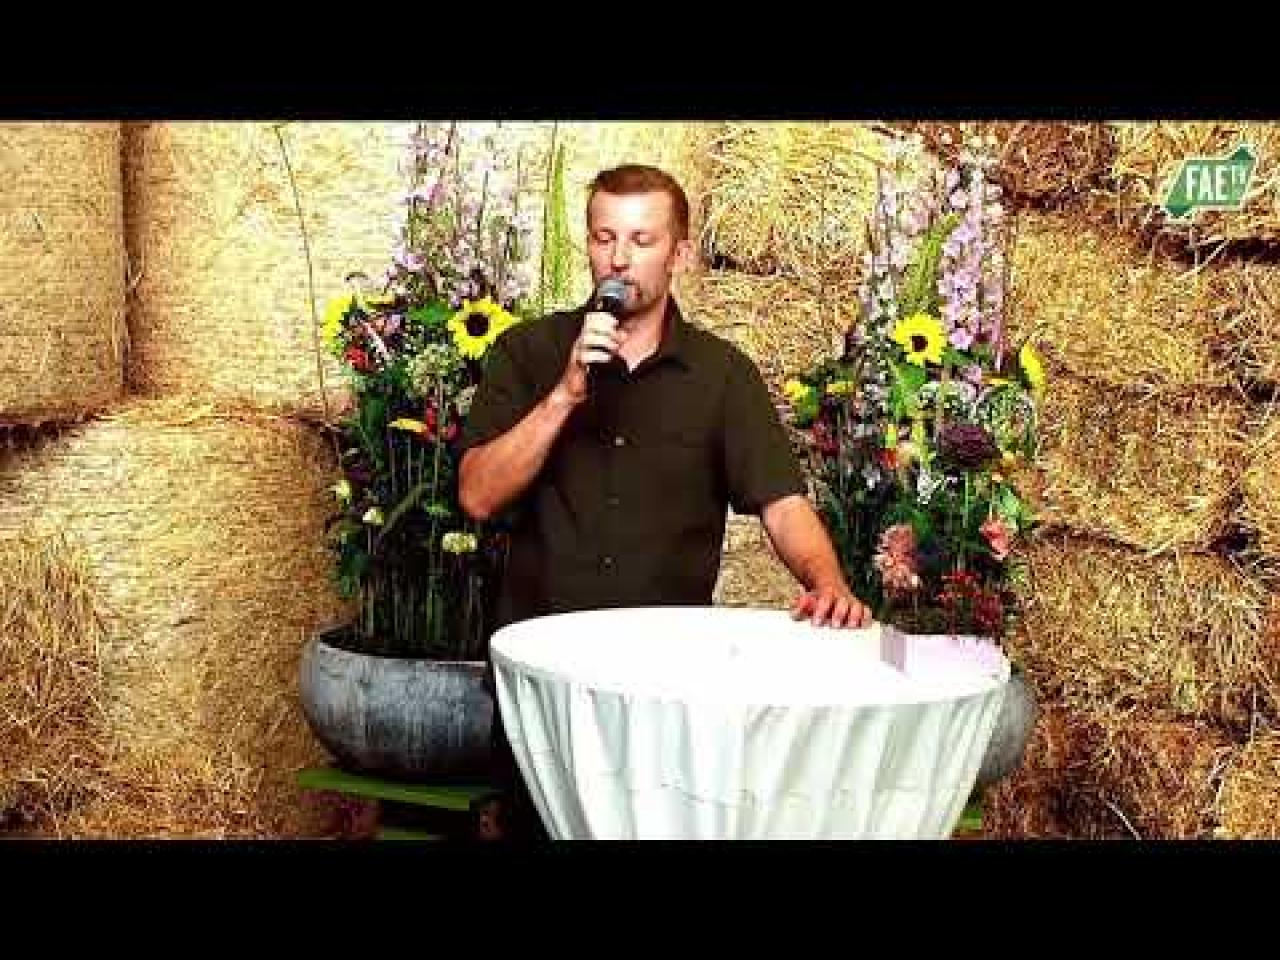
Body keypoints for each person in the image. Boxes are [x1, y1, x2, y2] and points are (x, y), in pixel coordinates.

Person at [457, 164, 872, 839]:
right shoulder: (528, 352)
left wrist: (827, 583)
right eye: (604, 237)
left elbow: (782, 502)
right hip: (543, 686)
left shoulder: (722, 375)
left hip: (667, 687)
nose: (619, 258)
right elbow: (477, 494)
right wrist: (564, 394)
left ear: (679, 254)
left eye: (641, 240)